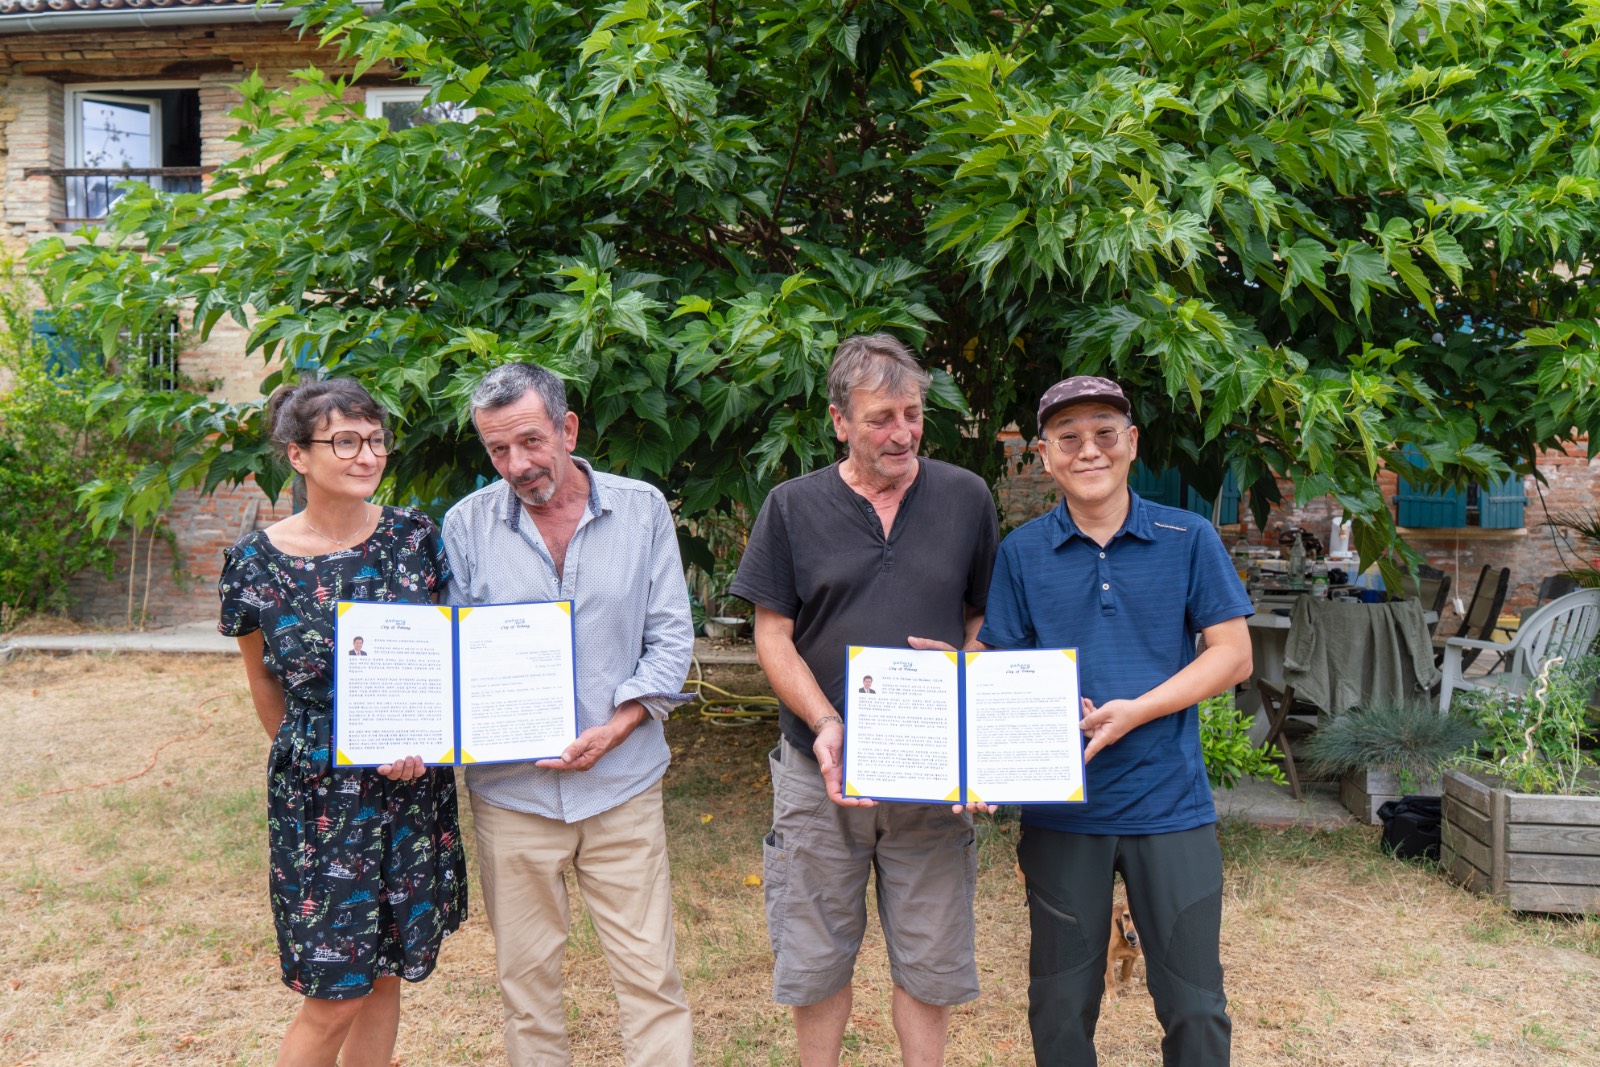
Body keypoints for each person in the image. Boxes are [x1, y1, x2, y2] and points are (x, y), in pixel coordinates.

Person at [730, 332, 999, 1067]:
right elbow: (773, 635)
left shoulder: (965, 497)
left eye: (912, 413)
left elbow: (983, 616)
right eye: (881, 417)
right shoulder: (791, 506)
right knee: (816, 956)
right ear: (839, 420)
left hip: (931, 772)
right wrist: (824, 722)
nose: (903, 432)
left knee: (931, 956)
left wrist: (969, 669)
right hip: (817, 771)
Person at [975, 376, 1253, 1066]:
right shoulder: (1021, 552)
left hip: (1170, 804)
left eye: (1105, 433)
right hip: (1063, 809)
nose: (1088, 450)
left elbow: (1233, 656)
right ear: (1045, 455)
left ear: (1131, 443)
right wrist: (955, 691)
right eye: (1068, 438)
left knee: (1194, 1005)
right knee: (1061, 1008)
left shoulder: (1187, 537)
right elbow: (998, 671)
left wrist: (1139, 710)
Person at [442, 362, 695, 1066]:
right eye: (498, 451)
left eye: (529, 441)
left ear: (568, 427)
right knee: (527, 987)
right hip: (512, 795)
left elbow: (671, 637)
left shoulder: (641, 508)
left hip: (623, 786)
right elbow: (456, 656)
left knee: (651, 979)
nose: (517, 464)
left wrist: (621, 724)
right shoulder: (464, 525)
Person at [218, 378, 466, 1067]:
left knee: (383, 969)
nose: (367, 454)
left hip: (410, 788)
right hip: (321, 801)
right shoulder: (255, 563)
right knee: (336, 991)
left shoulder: (415, 537)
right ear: (298, 455)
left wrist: (423, 739)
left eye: (376, 439)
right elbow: (264, 684)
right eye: (346, 440)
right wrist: (323, 758)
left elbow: (440, 657)